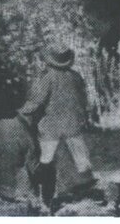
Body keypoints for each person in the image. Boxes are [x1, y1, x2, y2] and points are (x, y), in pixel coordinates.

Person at [18, 45, 94, 212]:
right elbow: (84, 102)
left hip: (51, 127)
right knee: (82, 163)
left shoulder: (48, 78)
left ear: (50, 61)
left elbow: (36, 102)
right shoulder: (77, 77)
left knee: (46, 162)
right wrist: (83, 118)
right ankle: (83, 196)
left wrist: (21, 113)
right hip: (73, 126)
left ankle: (45, 201)